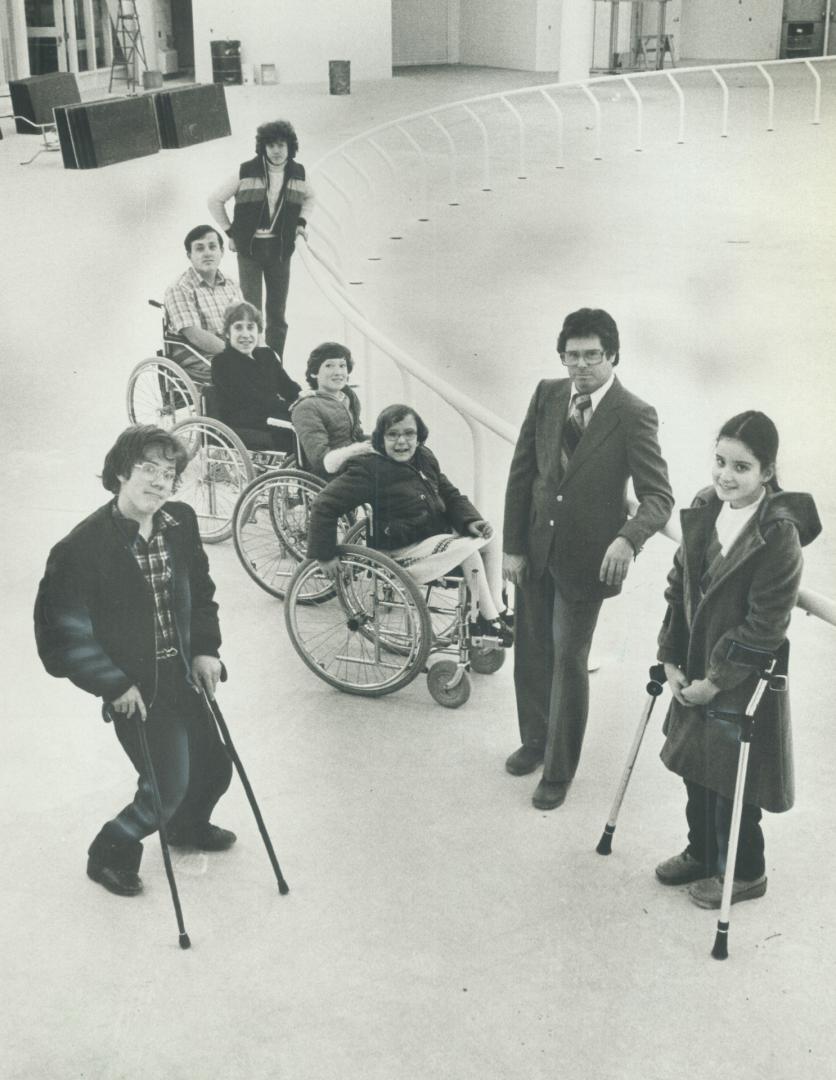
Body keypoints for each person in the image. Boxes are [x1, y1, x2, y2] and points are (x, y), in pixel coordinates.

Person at [34, 426, 236, 898]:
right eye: (149, 469)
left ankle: (186, 827)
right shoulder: (80, 548)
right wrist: (113, 683)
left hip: (181, 672)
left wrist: (206, 648)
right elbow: (63, 634)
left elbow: (201, 595)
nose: (161, 482)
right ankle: (110, 851)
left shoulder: (181, 522)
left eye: (170, 473)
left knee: (214, 768)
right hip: (135, 686)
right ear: (121, 471)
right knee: (166, 785)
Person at [503, 307, 674, 810]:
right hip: (535, 549)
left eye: (592, 357)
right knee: (531, 650)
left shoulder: (633, 413)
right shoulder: (547, 394)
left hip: (588, 559)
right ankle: (534, 742)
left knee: (568, 660)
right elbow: (522, 475)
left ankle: (558, 770)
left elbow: (658, 496)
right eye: (572, 356)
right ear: (562, 356)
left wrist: (627, 538)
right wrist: (513, 545)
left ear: (613, 356)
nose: (581, 366)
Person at [654, 411, 820, 908]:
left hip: (741, 674)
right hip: (693, 661)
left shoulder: (778, 534)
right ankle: (702, 852)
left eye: (742, 467)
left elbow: (767, 623)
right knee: (694, 764)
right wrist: (669, 656)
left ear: (767, 472)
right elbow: (678, 585)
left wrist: (717, 678)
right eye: (721, 461)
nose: (726, 475)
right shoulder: (706, 507)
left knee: (734, 775)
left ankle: (746, 870)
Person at [307, 404, 512, 642]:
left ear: (419, 435)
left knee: (491, 538)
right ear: (380, 439)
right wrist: (325, 555)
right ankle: (487, 620)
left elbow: (449, 494)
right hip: (397, 550)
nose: (401, 442)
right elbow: (324, 504)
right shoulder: (369, 469)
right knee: (467, 551)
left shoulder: (424, 458)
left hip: (432, 539)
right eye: (392, 435)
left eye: (409, 434)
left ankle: (497, 608)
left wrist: (471, 521)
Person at [208, 118, 315, 358]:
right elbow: (214, 200)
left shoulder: (298, 173)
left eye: (282, 145)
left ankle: (274, 365)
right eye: (271, 146)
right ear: (263, 148)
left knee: (277, 313)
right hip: (250, 250)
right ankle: (252, 361)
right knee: (252, 312)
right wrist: (229, 231)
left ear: (290, 147)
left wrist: (300, 223)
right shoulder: (246, 171)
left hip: (280, 249)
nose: (276, 151)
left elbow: (310, 198)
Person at [211, 301, 302, 453]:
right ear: (227, 333)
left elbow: (288, 387)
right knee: (301, 430)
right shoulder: (222, 363)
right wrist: (292, 409)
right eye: (238, 327)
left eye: (250, 327)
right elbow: (253, 400)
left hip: (271, 415)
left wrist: (302, 398)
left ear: (258, 330)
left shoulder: (267, 355)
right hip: (245, 422)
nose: (245, 334)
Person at [163, 224, 243, 386]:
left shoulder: (231, 284)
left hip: (228, 348)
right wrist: (238, 354)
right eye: (199, 249)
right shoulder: (180, 288)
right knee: (243, 372)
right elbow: (195, 335)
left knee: (270, 363)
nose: (207, 253)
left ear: (221, 252)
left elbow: (246, 323)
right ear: (189, 255)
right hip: (194, 353)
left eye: (212, 247)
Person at [290, 342, 369, 477]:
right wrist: (357, 450)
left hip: (354, 463)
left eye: (342, 366)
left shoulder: (348, 397)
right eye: (329, 365)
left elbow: (357, 435)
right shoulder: (307, 407)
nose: (338, 372)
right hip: (332, 473)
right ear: (315, 373)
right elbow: (320, 460)